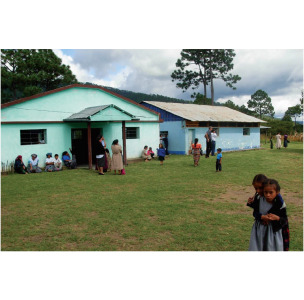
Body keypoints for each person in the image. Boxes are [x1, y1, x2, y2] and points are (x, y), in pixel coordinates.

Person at [248, 178, 289, 251]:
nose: (268, 195)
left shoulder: (279, 203)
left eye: (270, 192)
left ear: (277, 192)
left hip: (273, 233)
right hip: (259, 231)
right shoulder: (259, 199)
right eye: (265, 192)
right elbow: (255, 213)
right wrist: (262, 217)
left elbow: (284, 219)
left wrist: (277, 218)